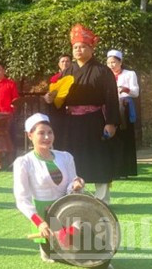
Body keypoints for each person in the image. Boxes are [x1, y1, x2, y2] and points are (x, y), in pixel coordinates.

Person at [44, 24, 119, 204]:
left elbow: (111, 98)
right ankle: (75, 195)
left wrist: (111, 122)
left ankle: (102, 199)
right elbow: (59, 101)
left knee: (98, 158)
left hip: (94, 121)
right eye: (75, 47)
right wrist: (49, 100)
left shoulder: (102, 71)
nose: (78, 50)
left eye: (82, 46)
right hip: (71, 123)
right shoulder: (66, 73)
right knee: (71, 159)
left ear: (91, 49)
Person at [13, 113, 84, 264]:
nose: (47, 137)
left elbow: (71, 186)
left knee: (84, 250)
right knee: (55, 256)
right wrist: (40, 223)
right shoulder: (24, 163)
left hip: (67, 211)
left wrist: (77, 184)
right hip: (43, 217)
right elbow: (22, 199)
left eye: (50, 132)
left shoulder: (65, 157)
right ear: (29, 135)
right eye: (41, 133)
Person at [106, 50, 139, 178]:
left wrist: (125, 89)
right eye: (109, 63)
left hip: (124, 108)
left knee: (125, 137)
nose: (111, 65)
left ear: (120, 62)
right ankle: (113, 169)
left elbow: (136, 92)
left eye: (114, 62)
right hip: (110, 107)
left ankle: (125, 170)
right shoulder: (106, 76)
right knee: (112, 137)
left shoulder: (130, 74)